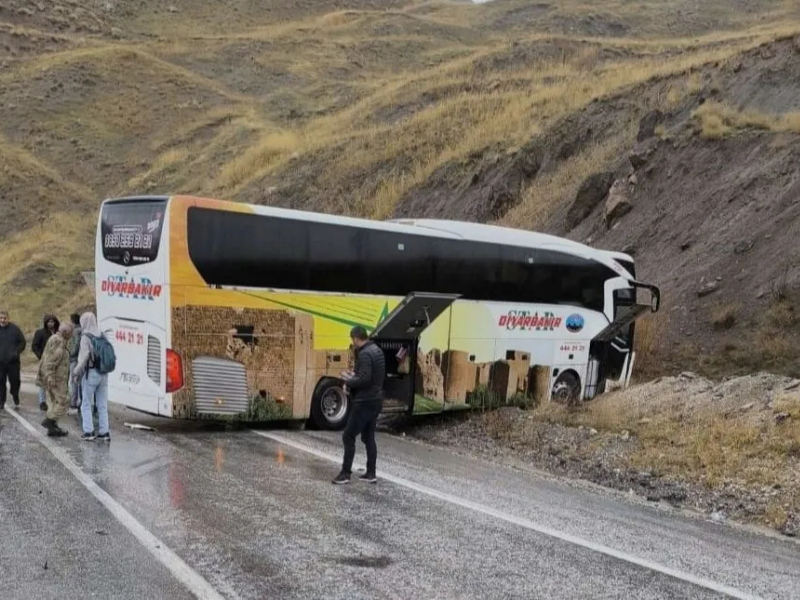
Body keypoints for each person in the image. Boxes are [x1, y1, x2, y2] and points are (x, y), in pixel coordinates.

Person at [332, 326, 386, 485]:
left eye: (352, 340)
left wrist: (347, 380)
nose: (353, 343)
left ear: (356, 338)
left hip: (364, 402)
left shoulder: (365, 354)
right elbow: (373, 377)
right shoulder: (377, 351)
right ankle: (371, 473)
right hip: (376, 400)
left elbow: (364, 379)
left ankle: (345, 473)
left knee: (348, 436)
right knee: (369, 436)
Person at [73, 312, 110, 442]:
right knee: (102, 404)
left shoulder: (85, 337)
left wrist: (76, 372)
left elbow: (84, 358)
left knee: (86, 403)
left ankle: (88, 431)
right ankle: (104, 432)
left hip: (91, 372)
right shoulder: (102, 334)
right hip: (104, 373)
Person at [37, 322, 73, 437]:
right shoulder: (59, 342)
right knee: (64, 401)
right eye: (70, 333)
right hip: (57, 378)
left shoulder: (54, 338)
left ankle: (52, 428)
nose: (71, 335)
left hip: (51, 376)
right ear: (65, 333)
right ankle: (50, 421)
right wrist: (51, 377)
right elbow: (51, 362)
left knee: (53, 402)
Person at [32, 314, 60, 411]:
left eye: (53, 321)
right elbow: (34, 346)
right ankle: (42, 401)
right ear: (46, 322)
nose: (51, 324)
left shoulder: (58, 333)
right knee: (43, 381)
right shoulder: (40, 333)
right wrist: (41, 356)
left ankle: (55, 400)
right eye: (49, 322)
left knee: (56, 381)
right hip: (45, 361)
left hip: (57, 361)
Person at [0, 310, 26, 410]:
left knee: (15, 381)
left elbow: (22, 342)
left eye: (4, 318)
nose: (2, 320)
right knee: (1, 382)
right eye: (1, 318)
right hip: (0, 362)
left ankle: (15, 394)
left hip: (13, 362)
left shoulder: (15, 329)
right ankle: (1, 401)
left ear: (8, 318)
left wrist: (16, 352)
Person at [67, 313, 82, 414]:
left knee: (74, 381)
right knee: (79, 381)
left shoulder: (76, 331)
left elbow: (76, 344)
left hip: (74, 359)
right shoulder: (82, 329)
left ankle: (73, 402)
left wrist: (71, 354)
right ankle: (80, 401)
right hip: (79, 359)